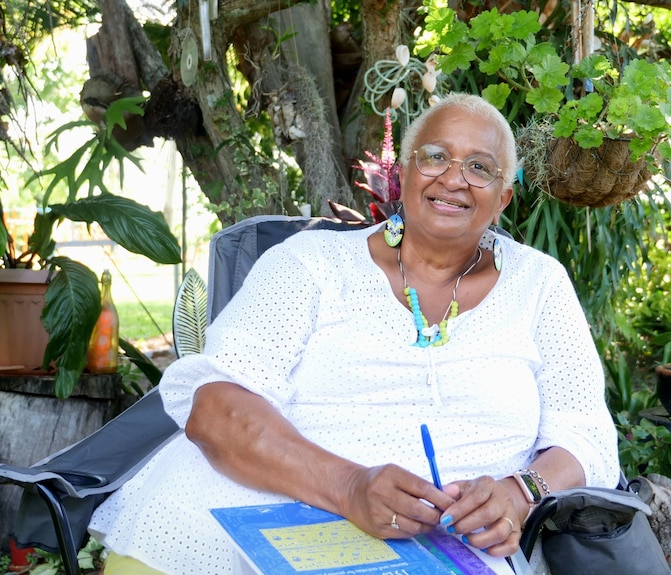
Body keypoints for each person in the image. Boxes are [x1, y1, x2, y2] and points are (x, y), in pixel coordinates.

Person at [88, 93, 620, 574]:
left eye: (480, 168)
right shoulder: (309, 264)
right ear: (406, 172)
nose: (453, 179)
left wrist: (523, 491)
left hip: (455, 546)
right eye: (436, 156)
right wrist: (348, 488)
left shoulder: (539, 285)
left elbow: (586, 436)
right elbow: (217, 408)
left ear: (503, 198)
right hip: (267, 511)